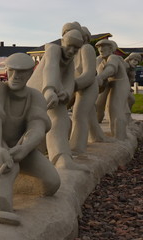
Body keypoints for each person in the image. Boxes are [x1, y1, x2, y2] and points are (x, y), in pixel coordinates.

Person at [0, 53, 60, 225]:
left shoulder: (35, 96)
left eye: (21, 72)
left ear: (30, 73)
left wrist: (25, 148)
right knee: (4, 165)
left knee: (51, 182)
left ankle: (11, 181)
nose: (15, 76)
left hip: (19, 146)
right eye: (11, 71)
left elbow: (37, 126)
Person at [27, 29, 88, 170]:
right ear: (62, 42)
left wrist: (66, 93)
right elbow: (51, 68)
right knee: (43, 122)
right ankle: (57, 158)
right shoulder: (53, 49)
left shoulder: (69, 60)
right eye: (69, 46)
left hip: (54, 92)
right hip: (37, 91)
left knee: (60, 120)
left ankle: (61, 158)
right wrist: (49, 89)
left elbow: (69, 79)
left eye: (76, 48)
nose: (72, 51)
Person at [62, 23, 106, 154]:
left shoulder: (86, 49)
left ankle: (77, 147)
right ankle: (96, 136)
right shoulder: (70, 52)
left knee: (79, 115)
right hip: (74, 86)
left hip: (88, 86)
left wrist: (71, 85)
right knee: (59, 113)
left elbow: (88, 74)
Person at [95, 39, 131, 140]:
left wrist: (100, 77)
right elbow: (99, 73)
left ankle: (120, 136)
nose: (101, 49)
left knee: (116, 108)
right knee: (108, 109)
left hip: (121, 82)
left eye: (103, 46)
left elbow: (111, 69)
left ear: (111, 48)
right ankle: (116, 134)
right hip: (111, 83)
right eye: (98, 47)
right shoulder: (101, 60)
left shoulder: (113, 57)